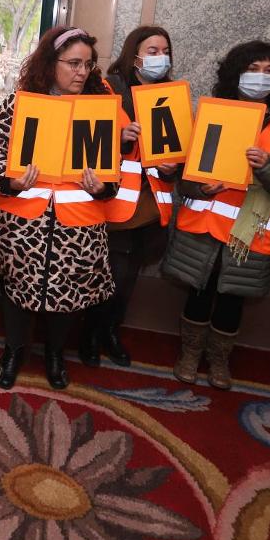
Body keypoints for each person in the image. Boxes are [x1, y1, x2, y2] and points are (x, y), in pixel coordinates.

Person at [162, 41, 270, 390]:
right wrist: (201, 189)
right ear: (236, 74)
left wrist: (268, 166)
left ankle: (218, 359)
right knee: (199, 291)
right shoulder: (209, 113)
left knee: (233, 298)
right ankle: (189, 353)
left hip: (251, 231)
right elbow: (185, 180)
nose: (261, 78)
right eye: (253, 69)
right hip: (205, 226)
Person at [0, 26, 119, 390]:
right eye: (74, 63)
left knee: (70, 292)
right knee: (18, 290)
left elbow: (114, 173)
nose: (81, 72)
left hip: (79, 222)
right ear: (52, 63)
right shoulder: (20, 103)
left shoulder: (100, 110)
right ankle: (14, 352)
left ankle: (54, 355)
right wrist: (10, 181)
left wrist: (103, 187)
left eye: (88, 65)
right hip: (22, 220)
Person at [92, 25, 180, 366]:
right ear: (135, 53)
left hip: (151, 201)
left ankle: (111, 332)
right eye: (152, 50)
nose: (159, 57)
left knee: (127, 280)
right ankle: (90, 335)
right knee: (107, 275)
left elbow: (177, 151)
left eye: (164, 51)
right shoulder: (107, 89)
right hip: (112, 202)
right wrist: (121, 136)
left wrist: (174, 168)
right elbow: (87, 139)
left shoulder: (172, 95)